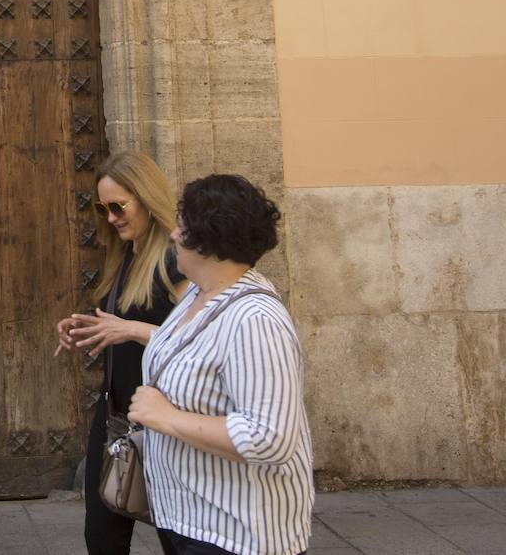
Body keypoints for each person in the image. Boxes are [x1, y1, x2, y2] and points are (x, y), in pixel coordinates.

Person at [128, 174, 313, 555]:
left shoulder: (255, 318)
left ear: (207, 240)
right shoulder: (198, 292)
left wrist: (165, 417)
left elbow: (270, 438)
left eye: (182, 225)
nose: (174, 235)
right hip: (190, 518)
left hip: (237, 532)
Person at [55, 150, 187, 555]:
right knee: (102, 537)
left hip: (162, 421)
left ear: (147, 199)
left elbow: (196, 340)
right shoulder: (125, 256)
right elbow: (125, 327)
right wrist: (86, 328)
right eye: (103, 207)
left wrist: (129, 328)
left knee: (177, 534)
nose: (110, 217)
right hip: (115, 417)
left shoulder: (175, 261)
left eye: (118, 206)